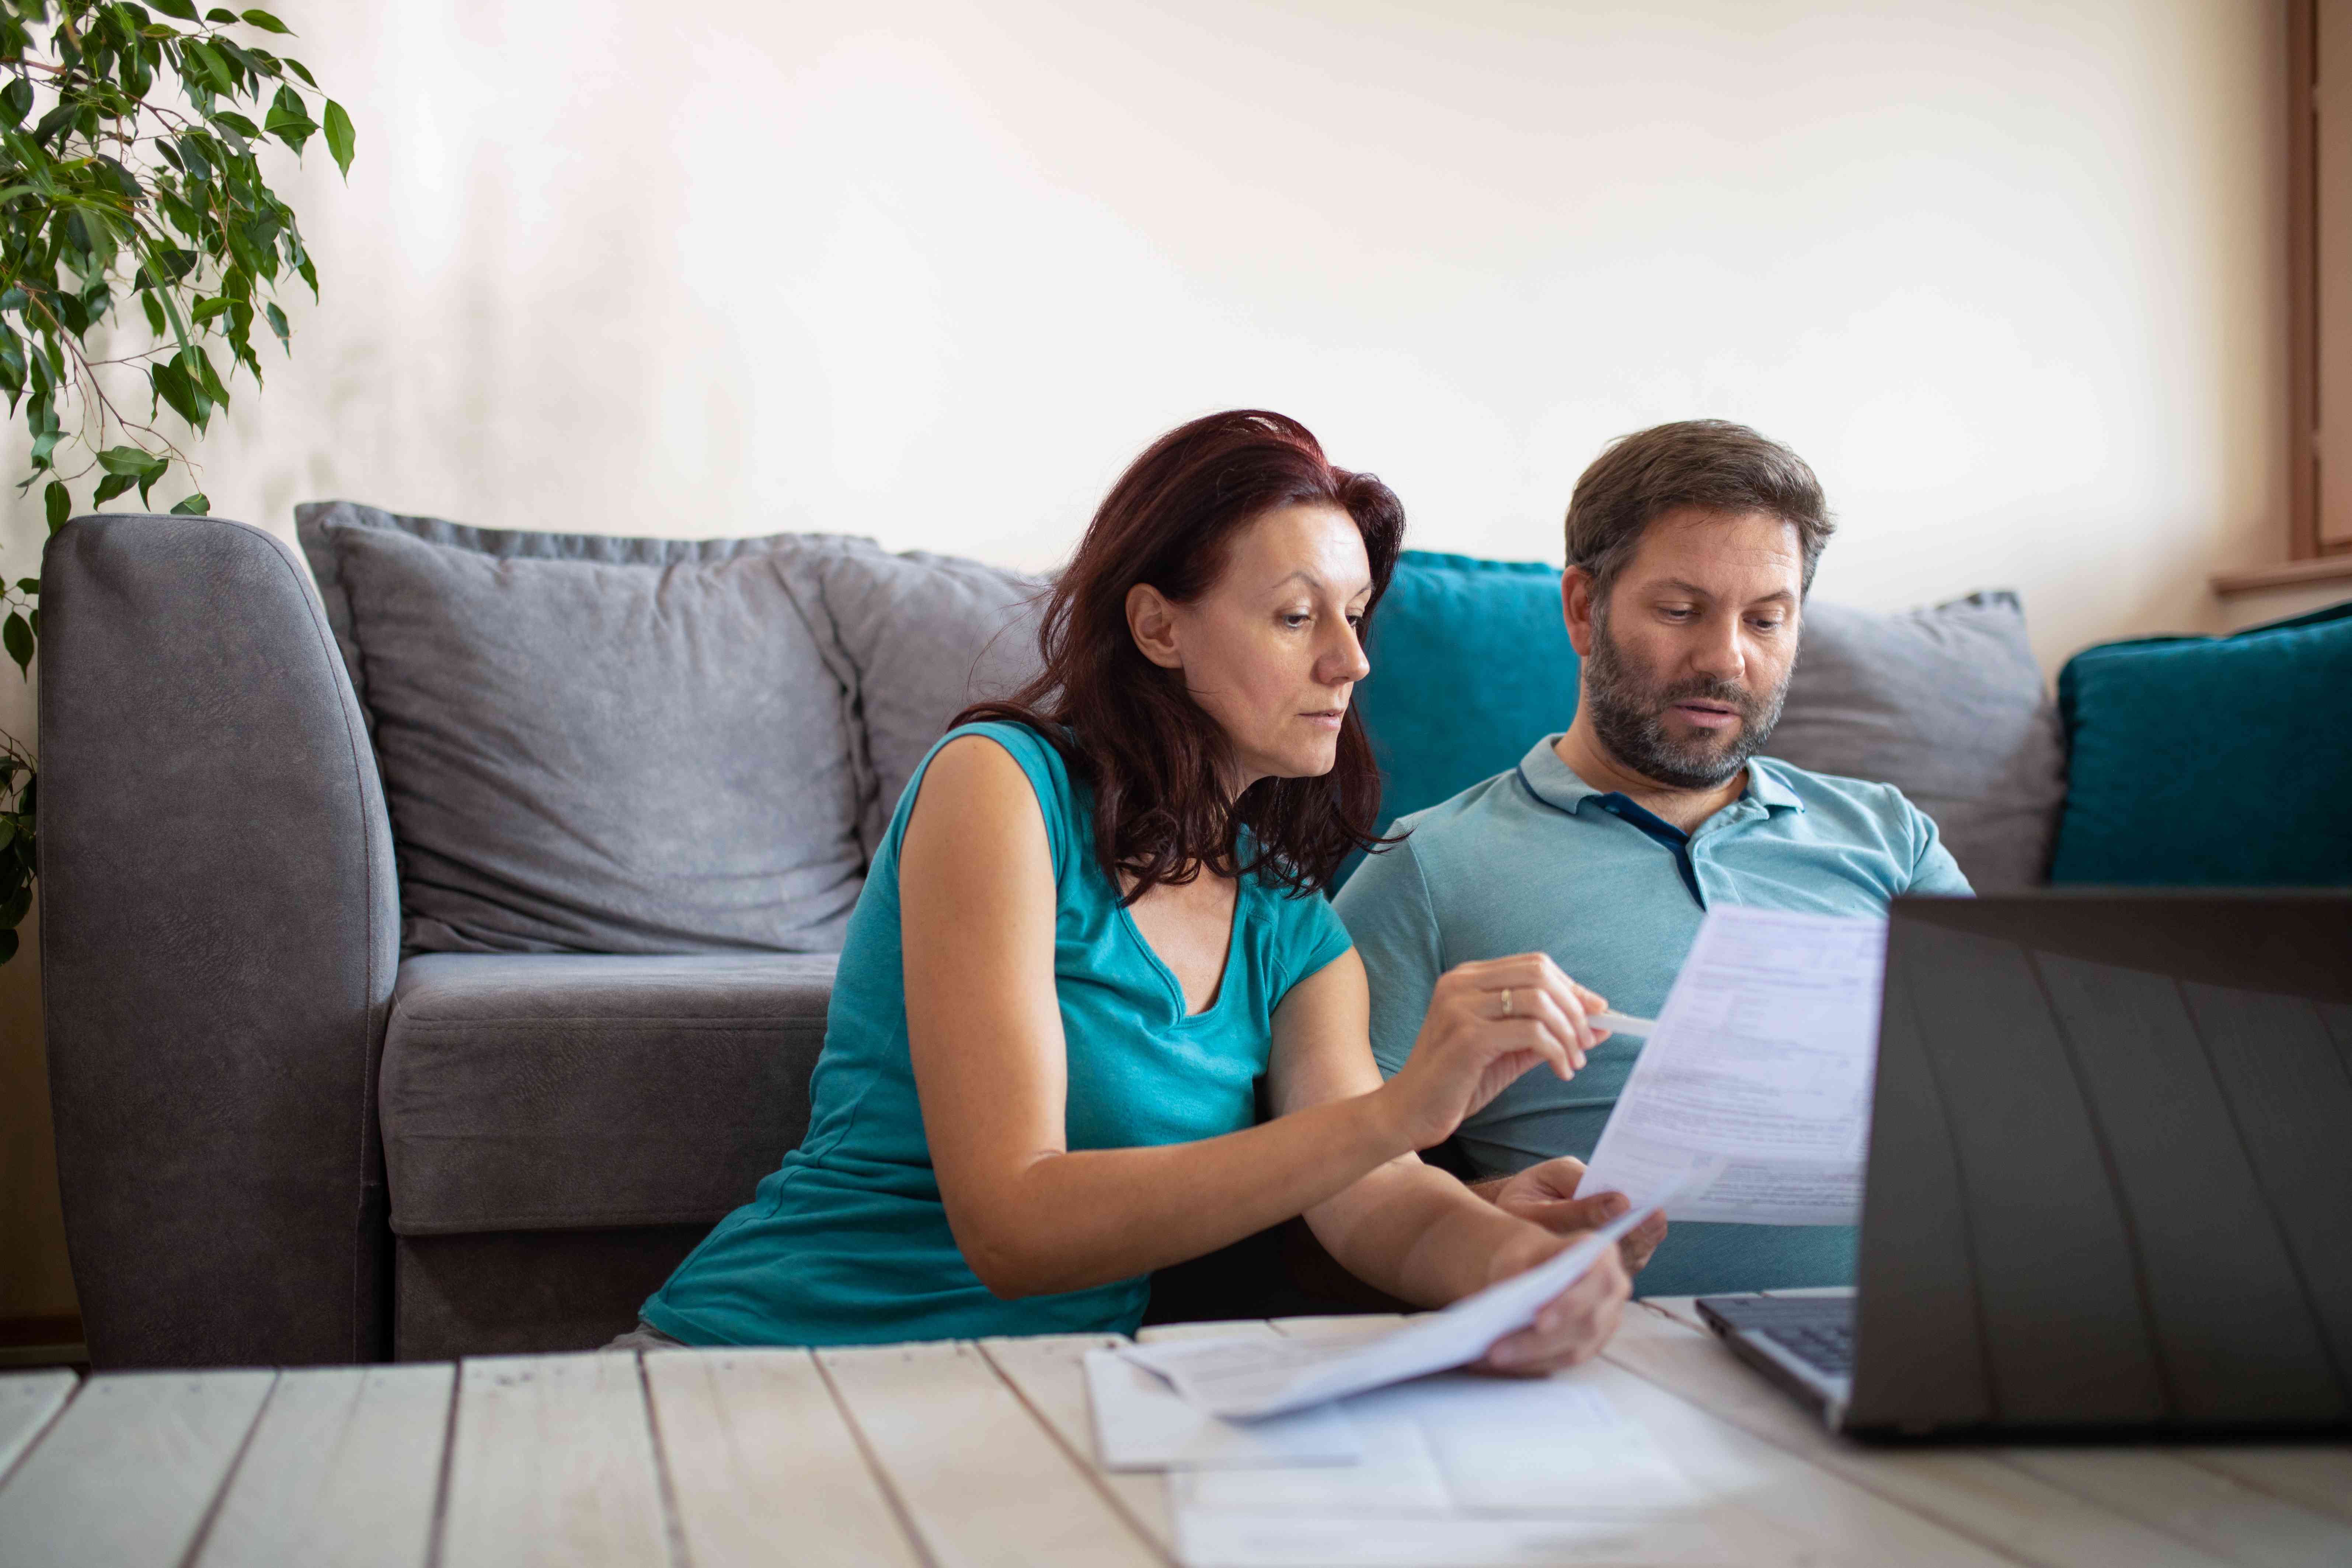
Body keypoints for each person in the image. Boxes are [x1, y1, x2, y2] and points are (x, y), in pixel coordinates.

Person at [623, 410, 1642, 1369]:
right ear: (1159, 627)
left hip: (1035, 1399)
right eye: (1295, 615)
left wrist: (1516, 1267)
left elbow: (1371, 1196)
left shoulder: (1292, 930)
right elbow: (1013, 1224)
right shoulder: (1000, 784)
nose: (1351, 658)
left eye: (1356, 613)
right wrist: (1402, 1110)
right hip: (761, 1358)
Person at [1334, 419, 1972, 1299]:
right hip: (1611, 1353)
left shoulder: (1888, 839)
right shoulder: (1427, 866)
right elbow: (1321, 1179)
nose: (1724, 659)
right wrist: (1482, 1221)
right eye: (1679, 612)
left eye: (1766, 619)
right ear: (1582, 609)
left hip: (1910, 1330)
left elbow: (2017, 1097)